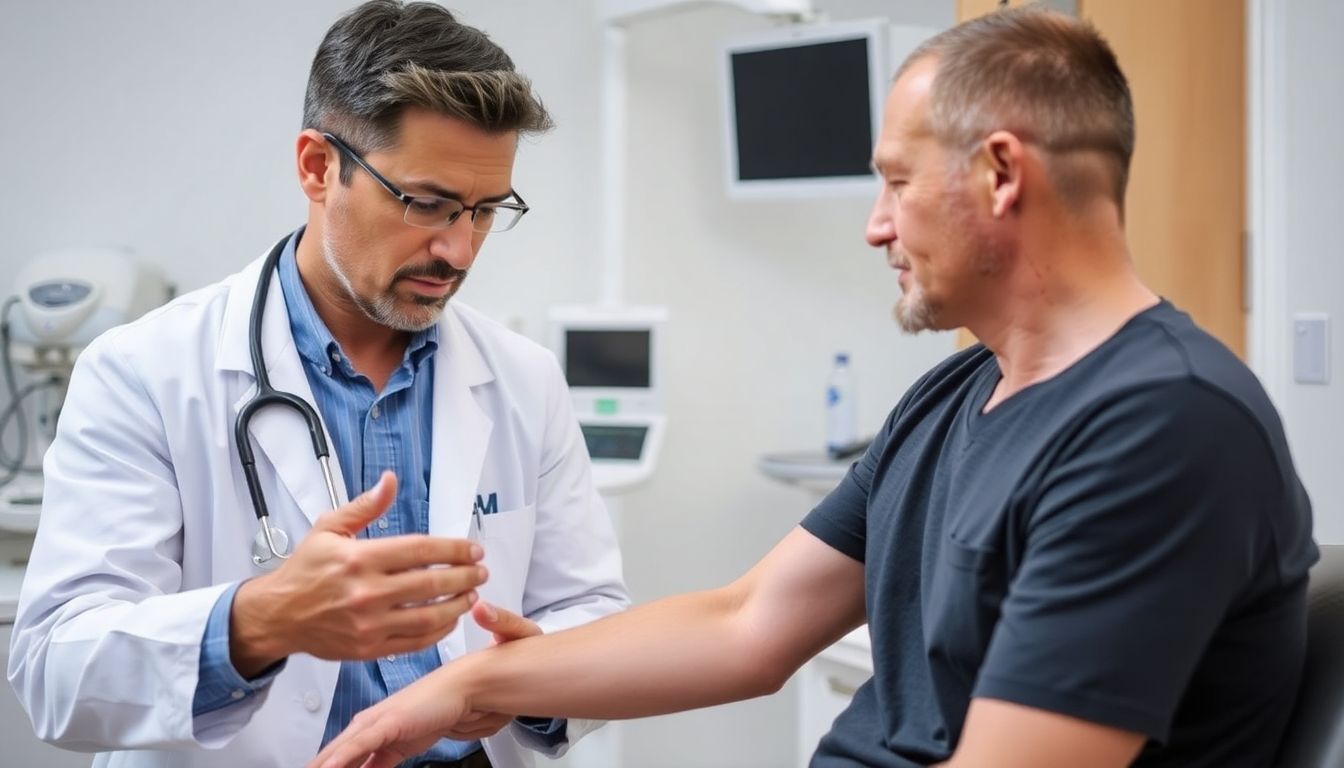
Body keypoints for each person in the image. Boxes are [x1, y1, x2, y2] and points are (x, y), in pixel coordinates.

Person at [310, 7, 1318, 768]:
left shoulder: (1164, 428)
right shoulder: (958, 394)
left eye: (895, 181)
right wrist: (462, 687)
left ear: (1001, 174)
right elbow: (746, 624)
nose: (877, 225)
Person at [7, 2, 629, 767]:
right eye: (426, 203)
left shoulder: (522, 379)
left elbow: (590, 610)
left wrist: (533, 676)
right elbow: (53, 672)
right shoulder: (143, 371)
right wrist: (260, 622)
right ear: (316, 166)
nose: (458, 248)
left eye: (485, 210)